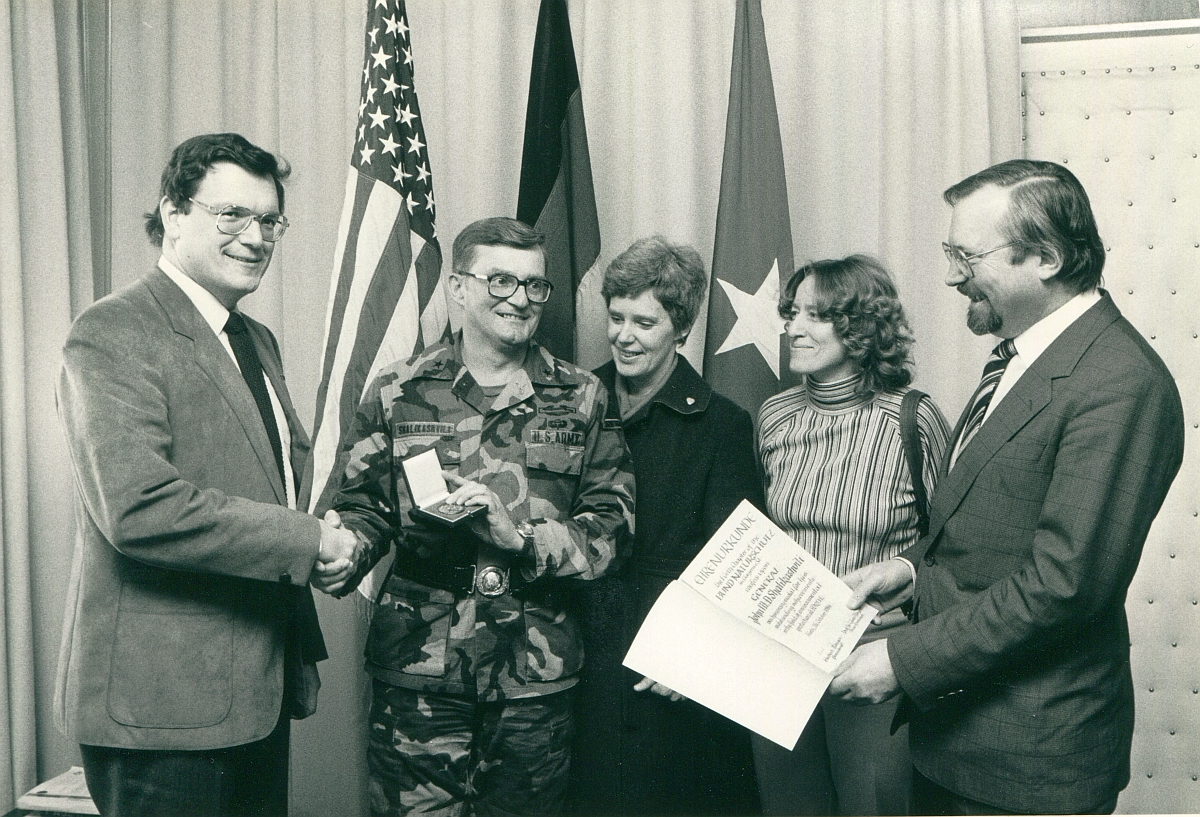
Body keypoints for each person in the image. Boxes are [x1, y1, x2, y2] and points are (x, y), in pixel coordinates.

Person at [830, 160, 1185, 815]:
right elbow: (989, 521)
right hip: (952, 743)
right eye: (950, 253)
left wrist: (903, 661)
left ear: (1046, 258)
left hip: (1028, 765)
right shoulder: (1024, 355)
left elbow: (1063, 585)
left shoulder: (1119, 383)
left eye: (967, 256)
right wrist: (907, 571)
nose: (950, 275)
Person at [54, 132, 359, 817]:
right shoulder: (113, 330)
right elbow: (140, 508)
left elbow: (273, 481)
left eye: (269, 220)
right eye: (232, 215)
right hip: (162, 708)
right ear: (173, 213)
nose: (255, 237)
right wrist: (307, 540)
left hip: (254, 691)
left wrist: (325, 539)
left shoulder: (254, 339)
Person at [326, 216, 635, 817]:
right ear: (459, 288)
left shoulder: (582, 396)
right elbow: (362, 506)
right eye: (501, 281)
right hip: (420, 667)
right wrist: (346, 549)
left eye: (535, 285)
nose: (521, 299)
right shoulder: (399, 390)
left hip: (533, 671)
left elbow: (613, 526)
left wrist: (522, 540)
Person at [568, 237, 762, 816]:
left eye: (644, 322)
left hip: (668, 665)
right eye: (616, 317)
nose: (623, 336)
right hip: (576, 649)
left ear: (682, 328)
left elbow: (741, 561)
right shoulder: (572, 400)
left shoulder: (721, 425)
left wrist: (690, 655)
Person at [751, 255, 950, 816]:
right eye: (792, 313)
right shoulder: (773, 417)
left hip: (875, 655)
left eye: (815, 315)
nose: (793, 328)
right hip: (782, 653)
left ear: (860, 327)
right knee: (788, 806)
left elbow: (950, 545)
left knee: (874, 806)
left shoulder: (912, 420)